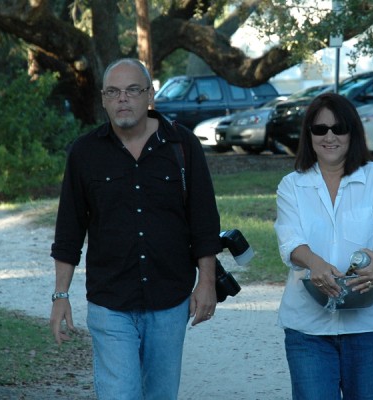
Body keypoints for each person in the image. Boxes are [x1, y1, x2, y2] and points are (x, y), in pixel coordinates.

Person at [49, 58, 222, 400]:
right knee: (121, 394)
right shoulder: (85, 152)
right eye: (113, 92)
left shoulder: (182, 146)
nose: (123, 99)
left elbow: (204, 221)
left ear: (149, 95)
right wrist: (60, 295)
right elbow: (69, 231)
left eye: (132, 90)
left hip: (170, 303)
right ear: (103, 99)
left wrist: (207, 282)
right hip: (110, 303)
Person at [274, 92, 373, 400]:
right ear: (309, 134)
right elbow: (291, 239)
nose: (330, 136)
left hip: (372, 327)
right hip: (308, 331)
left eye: (339, 128)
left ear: (353, 132)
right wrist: (314, 263)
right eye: (320, 129)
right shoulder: (291, 185)